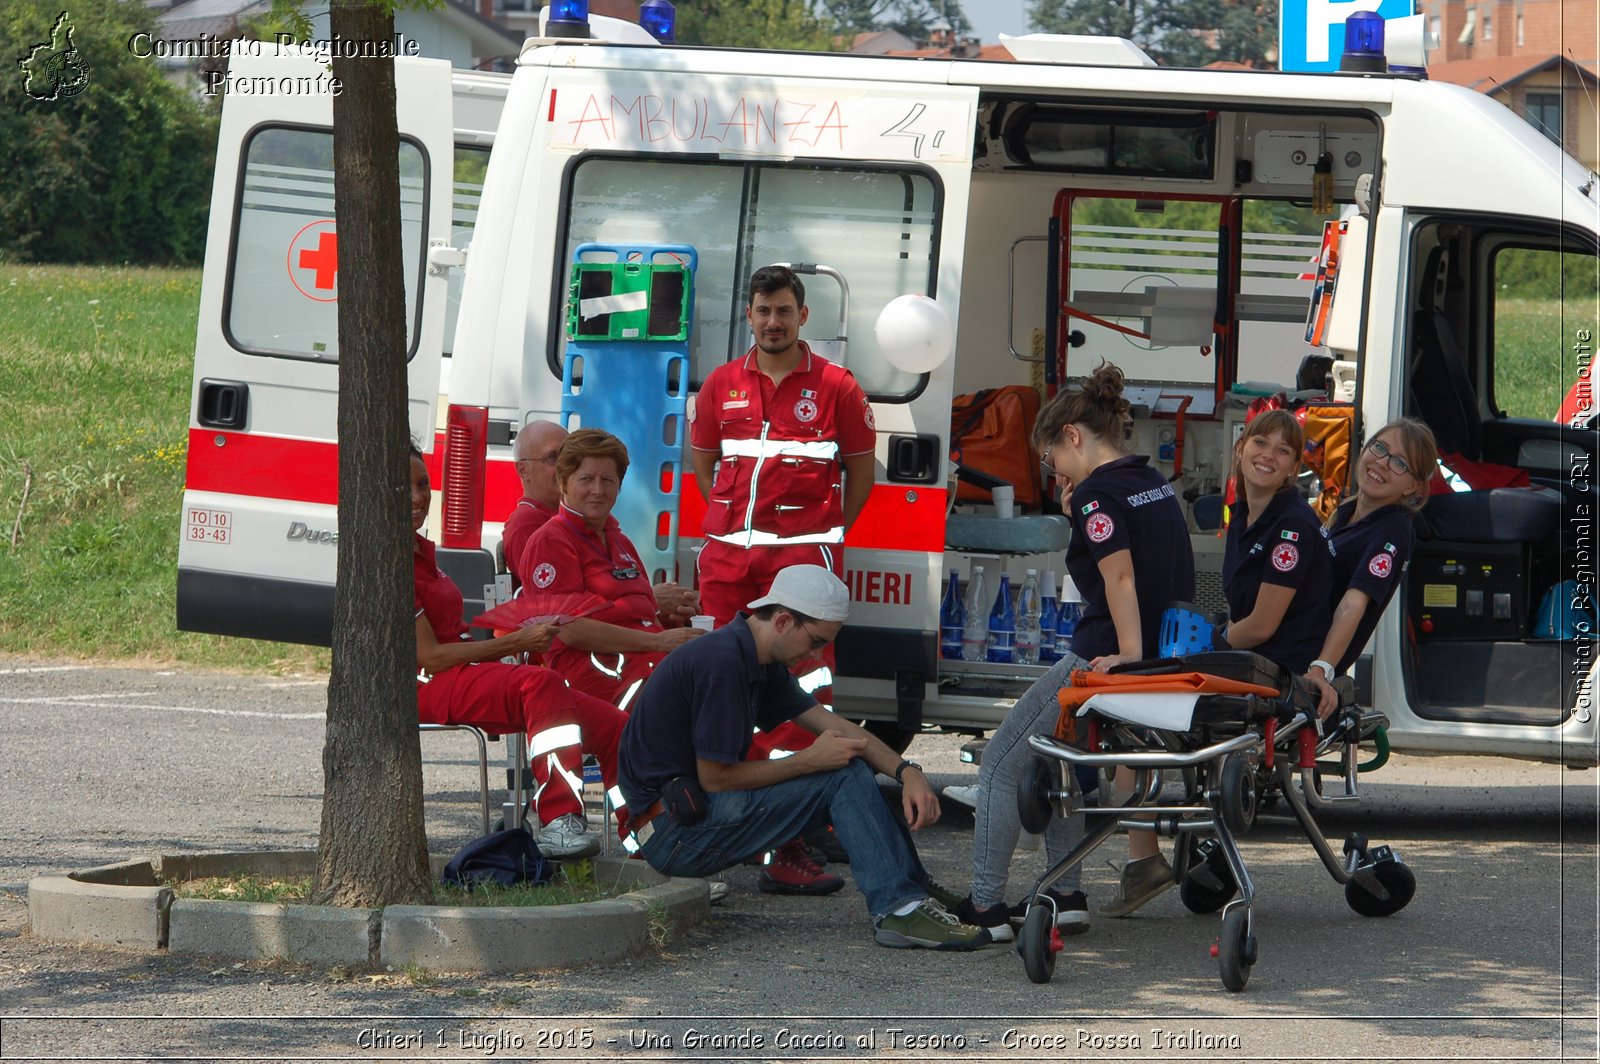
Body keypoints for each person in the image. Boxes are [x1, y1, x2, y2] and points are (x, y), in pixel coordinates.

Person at [616, 565, 990, 950]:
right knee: (839, 776)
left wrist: (907, 771)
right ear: (782, 620)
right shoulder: (722, 663)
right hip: (672, 836)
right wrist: (809, 761)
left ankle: (912, 892)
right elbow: (715, 778)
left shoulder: (754, 656)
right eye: (814, 642)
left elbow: (837, 726)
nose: (816, 654)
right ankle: (901, 907)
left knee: (846, 765)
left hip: (685, 816)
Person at [953, 362, 1195, 941]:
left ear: (1074, 437)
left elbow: (1120, 577)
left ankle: (986, 908)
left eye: (1051, 459)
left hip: (1105, 656)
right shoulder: (1149, 479)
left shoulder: (1097, 493)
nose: (1054, 472)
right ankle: (1066, 895)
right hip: (1170, 650)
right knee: (1061, 765)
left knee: (1000, 766)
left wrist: (1128, 657)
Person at [689, 263, 877, 889]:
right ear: (749, 315)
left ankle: (791, 840)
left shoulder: (837, 386)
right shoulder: (721, 383)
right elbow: (705, 461)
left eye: (784, 311)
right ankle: (729, 826)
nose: (773, 322)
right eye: (763, 310)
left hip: (802, 565)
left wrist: (821, 536)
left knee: (804, 699)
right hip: (727, 564)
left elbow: (860, 475)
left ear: (803, 317)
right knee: (721, 694)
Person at [411, 446, 628, 859]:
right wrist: (515, 644)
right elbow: (431, 658)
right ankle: (560, 822)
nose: (418, 497)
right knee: (542, 682)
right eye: (402, 487)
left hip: (460, 670)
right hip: (425, 684)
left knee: (615, 725)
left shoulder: (423, 552)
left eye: (423, 484)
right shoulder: (390, 559)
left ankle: (651, 844)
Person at [516, 429, 702, 709]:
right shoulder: (550, 541)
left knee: (736, 665)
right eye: (586, 479)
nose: (598, 490)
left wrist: (677, 621)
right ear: (564, 483)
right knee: (698, 694)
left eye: (608, 480)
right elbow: (567, 629)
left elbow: (641, 612)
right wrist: (659, 641)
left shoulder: (619, 539)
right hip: (597, 672)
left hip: (647, 662)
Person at [1302, 417, 1438, 717]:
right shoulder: (1347, 510)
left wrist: (1320, 669)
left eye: (1399, 463)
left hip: (1300, 653)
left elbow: (1353, 603)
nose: (1382, 463)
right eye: (1379, 448)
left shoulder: (1392, 530)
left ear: (1413, 486)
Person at [506, 419, 697, 622]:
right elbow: (566, 623)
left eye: (607, 480)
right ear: (523, 469)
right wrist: (651, 604)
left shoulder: (612, 534)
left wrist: (669, 615)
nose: (597, 490)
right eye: (554, 457)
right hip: (603, 650)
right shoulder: (534, 529)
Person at [501, 420, 567, 585]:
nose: (565, 465)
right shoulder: (527, 524)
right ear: (523, 470)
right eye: (553, 458)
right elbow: (553, 593)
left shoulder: (566, 515)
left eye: (569, 456)